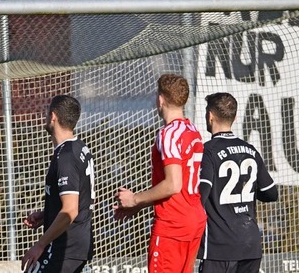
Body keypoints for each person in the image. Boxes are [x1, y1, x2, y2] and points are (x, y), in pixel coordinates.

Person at [113, 73, 206, 273]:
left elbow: (173, 184)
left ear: (161, 99)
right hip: (194, 219)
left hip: (173, 225)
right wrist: (140, 205)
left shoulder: (169, 133)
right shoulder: (192, 131)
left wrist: (135, 199)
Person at [197, 92, 278, 273]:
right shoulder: (250, 150)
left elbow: (201, 195)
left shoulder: (208, 151)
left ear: (210, 115)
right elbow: (271, 193)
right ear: (234, 117)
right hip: (250, 245)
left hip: (219, 247)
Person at [21, 95, 94, 273]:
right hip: (78, 246)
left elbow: (70, 210)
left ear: (53, 116)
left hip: (64, 248)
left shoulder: (66, 157)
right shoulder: (79, 147)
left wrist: (40, 245)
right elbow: (79, 200)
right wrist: (47, 214)